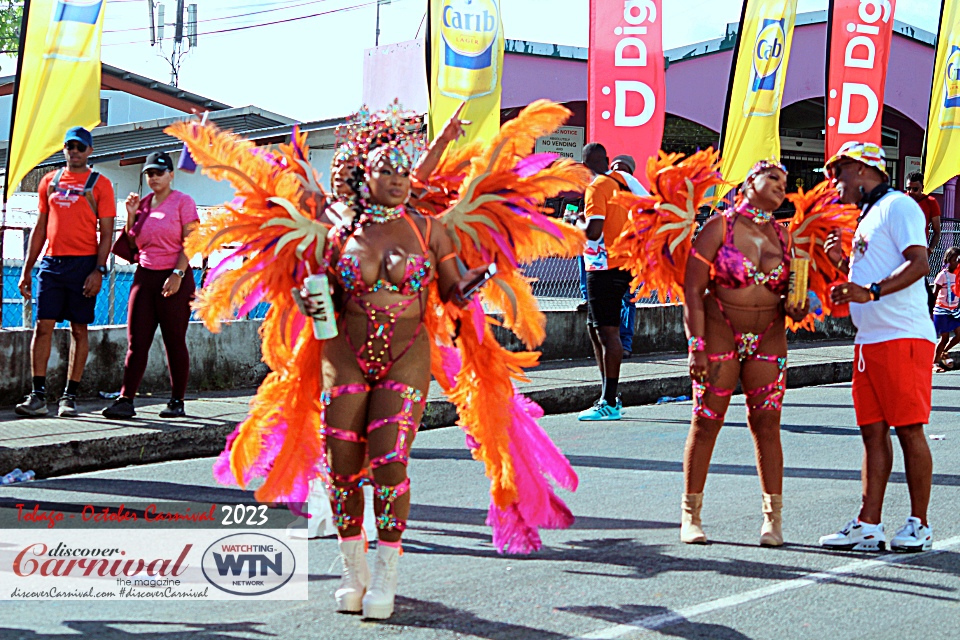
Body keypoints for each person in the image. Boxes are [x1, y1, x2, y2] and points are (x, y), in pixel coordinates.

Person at [681, 160, 807, 546]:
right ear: (750, 181)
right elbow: (692, 290)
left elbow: (791, 298)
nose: (780, 187)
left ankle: (773, 520)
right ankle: (691, 516)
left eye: (784, 183)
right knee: (706, 422)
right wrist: (696, 346)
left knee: (767, 426)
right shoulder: (719, 226)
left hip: (769, 336)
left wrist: (798, 306)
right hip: (720, 333)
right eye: (773, 178)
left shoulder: (784, 238)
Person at [821, 142, 936, 553]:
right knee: (872, 432)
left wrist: (870, 291)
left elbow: (920, 263)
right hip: (870, 340)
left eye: (839, 173)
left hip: (902, 336)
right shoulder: (869, 215)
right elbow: (871, 275)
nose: (835, 182)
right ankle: (868, 523)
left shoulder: (898, 205)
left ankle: (919, 523)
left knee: (908, 429)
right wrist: (840, 264)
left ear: (862, 170)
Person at [15, 127, 116, 418]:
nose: (74, 151)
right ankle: (38, 395)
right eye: (69, 146)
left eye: (80, 147)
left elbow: (107, 233)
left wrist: (98, 270)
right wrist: (26, 269)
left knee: (78, 329)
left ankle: (69, 397)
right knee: (43, 326)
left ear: (90, 151)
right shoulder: (49, 181)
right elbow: (41, 228)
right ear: (64, 149)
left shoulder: (101, 184)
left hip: (83, 265)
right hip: (52, 264)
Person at [101, 152, 200, 419]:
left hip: (174, 277)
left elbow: (192, 241)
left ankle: (177, 400)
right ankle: (125, 399)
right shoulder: (143, 204)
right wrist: (131, 216)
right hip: (145, 276)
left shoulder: (183, 202)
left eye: (159, 172)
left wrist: (178, 274)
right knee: (137, 341)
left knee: (174, 340)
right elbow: (133, 245)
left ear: (171, 174)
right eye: (150, 173)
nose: (154, 177)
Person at [577, 143, 633, 421]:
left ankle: (610, 401)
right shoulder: (620, 183)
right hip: (620, 263)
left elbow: (594, 230)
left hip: (604, 266)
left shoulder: (596, 187)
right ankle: (607, 395)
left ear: (583, 165)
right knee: (595, 328)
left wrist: (575, 225)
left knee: (607, 333)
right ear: (607, 160)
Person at [609, 154, 648, 357]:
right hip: (607, 252)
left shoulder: (635, 190)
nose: (617, 170)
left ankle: (624, 344)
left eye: (622, 168)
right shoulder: (604, 187)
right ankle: (614, 344)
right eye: (615, 167)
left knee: (627, 298)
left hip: (629, 253)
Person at [931, 247, 960, 371]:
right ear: (948, 260)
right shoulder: (942, 275)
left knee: (959, 334)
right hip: (942, 309)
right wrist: (931, 310)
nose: (958, 262)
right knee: (944, 337)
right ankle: (934, 363)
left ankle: (945, 351)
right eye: (955, 260)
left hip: (954, 309)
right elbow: (935, 293)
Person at [905, 171, 941, 254]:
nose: (911, 192)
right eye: (908, 188)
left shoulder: (931, 202)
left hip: (920, 247)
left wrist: (930, 250)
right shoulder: (902, 200)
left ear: (922, 188)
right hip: (901, 247)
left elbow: (937, 231)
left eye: (915, 189)